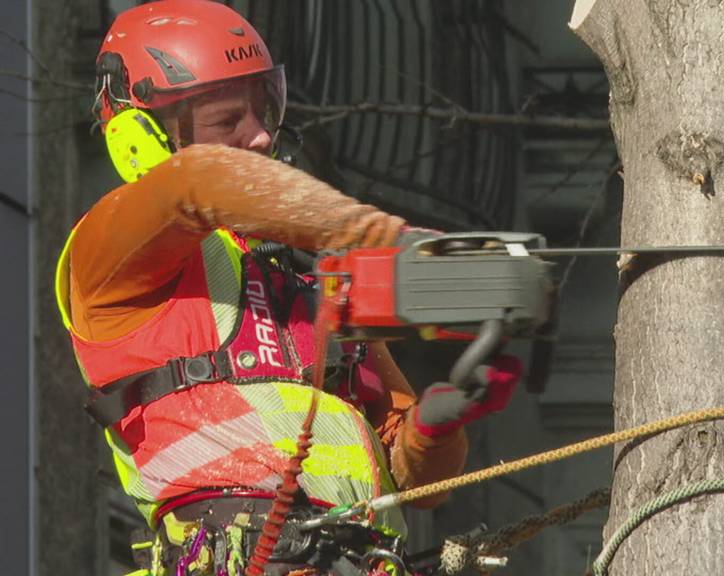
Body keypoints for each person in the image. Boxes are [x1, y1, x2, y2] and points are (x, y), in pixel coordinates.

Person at [54, 1, 520, 574]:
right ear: (139, 132)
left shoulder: (304, 280)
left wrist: (435, 428)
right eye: (229, 121)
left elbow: (417, 487)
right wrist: (379, 238)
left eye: (264, 110)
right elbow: (199, 182)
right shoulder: (109, 256)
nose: (258, 137)